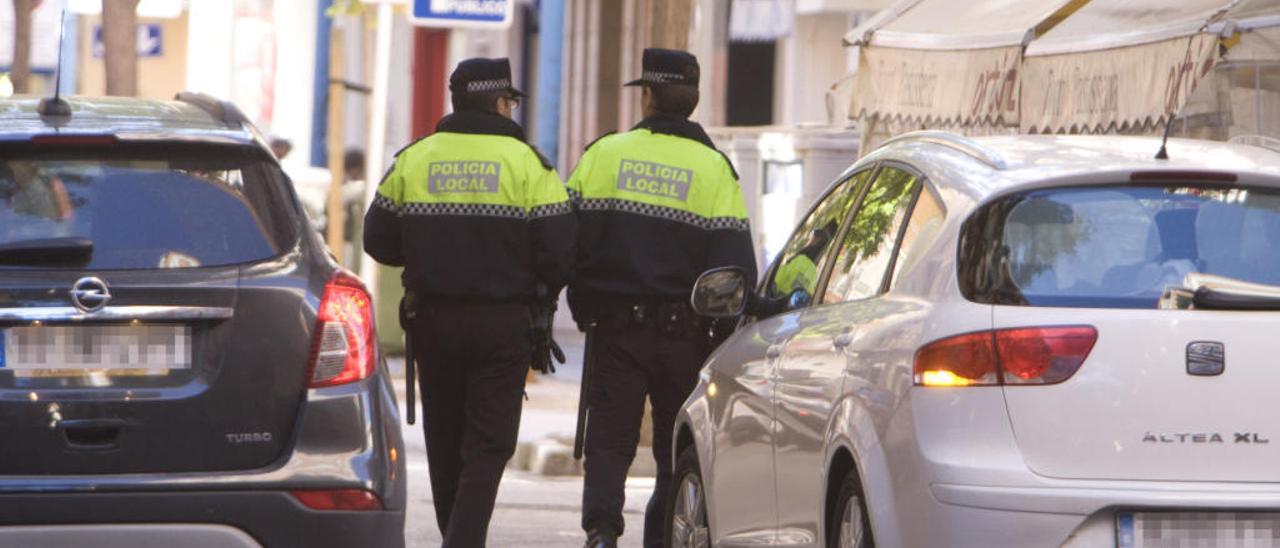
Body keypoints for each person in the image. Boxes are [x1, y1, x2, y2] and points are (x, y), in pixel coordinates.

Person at [363, 57, 576, 548]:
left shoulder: (415, 158)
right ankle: (463, 541)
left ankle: (455, 536)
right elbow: (561, 252)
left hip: (433, 319)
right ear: (501, 103)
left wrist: (429, 256)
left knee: (444, 437)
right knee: (490, 441)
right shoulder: (527, 163)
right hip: (504, 324)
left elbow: (378, 239)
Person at [567, 48, 757, 548]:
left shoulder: (604, 155)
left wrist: (582, 304)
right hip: (685, 337)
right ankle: (663, 537)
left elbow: (566, 242)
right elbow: (737, 271)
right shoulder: (716, 170)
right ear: (693, 101)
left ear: (647, 97)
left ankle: (601, 533)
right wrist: (718, 331)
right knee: (678, 448)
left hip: (616, 330)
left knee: (609, 439)